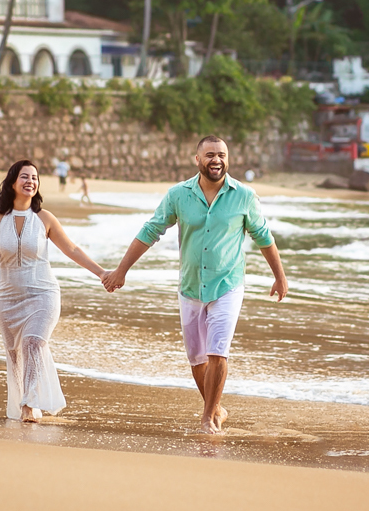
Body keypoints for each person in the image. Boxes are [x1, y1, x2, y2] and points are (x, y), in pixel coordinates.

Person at [102, 136, 287, 434]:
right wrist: (121, 271)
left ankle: (207, 418)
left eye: (222, 155)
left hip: (228, 285)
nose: (217, 160)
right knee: (197, 359)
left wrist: (279, 276)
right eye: (210, 154)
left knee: (218, 352)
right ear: (197, 159)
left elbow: (263, 236)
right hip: (190, 287)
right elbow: (151, 230)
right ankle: (217, 408)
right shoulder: (179, 195)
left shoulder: (244, 196)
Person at [0, 160, 106, 422]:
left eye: (35, 178)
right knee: (15, 353)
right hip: (7, 298)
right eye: (25, 176)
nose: (30, 181)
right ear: (12, 182)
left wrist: (102, 273)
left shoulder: (44, 218)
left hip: (43, 294)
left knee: (33, 343)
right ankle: (23, 401)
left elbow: (72, 249)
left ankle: (29, 403)